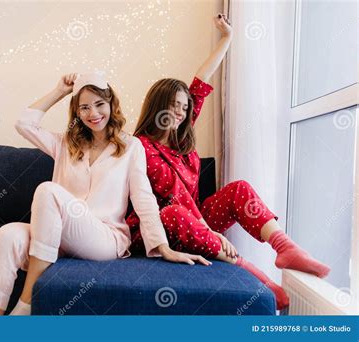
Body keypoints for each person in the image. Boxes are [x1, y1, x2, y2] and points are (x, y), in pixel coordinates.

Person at [126, 14, 330, 310]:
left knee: (239, 189)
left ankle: (284, 247)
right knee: (172, 212)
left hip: (196, 221)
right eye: (173, 105)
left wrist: (227, 38)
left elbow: (200, 82)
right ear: (158, 106)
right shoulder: (138, 147)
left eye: (184, 107)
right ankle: (251, 271)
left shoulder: (182, 140)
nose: (181, 112)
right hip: (162, 227)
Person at [0, 72, 211, 316]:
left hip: (104, 238)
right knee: (6, 235)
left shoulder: (131, 147)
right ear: (77, 112)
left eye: (99, 104)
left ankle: (26, 305)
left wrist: (163, 247)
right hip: (58, 236)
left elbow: (144, 199)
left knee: (47, 191)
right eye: (85, 107)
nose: (93, 113)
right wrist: (59, 91)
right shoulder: (66, 143)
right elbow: (23, 124)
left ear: (111, 104)